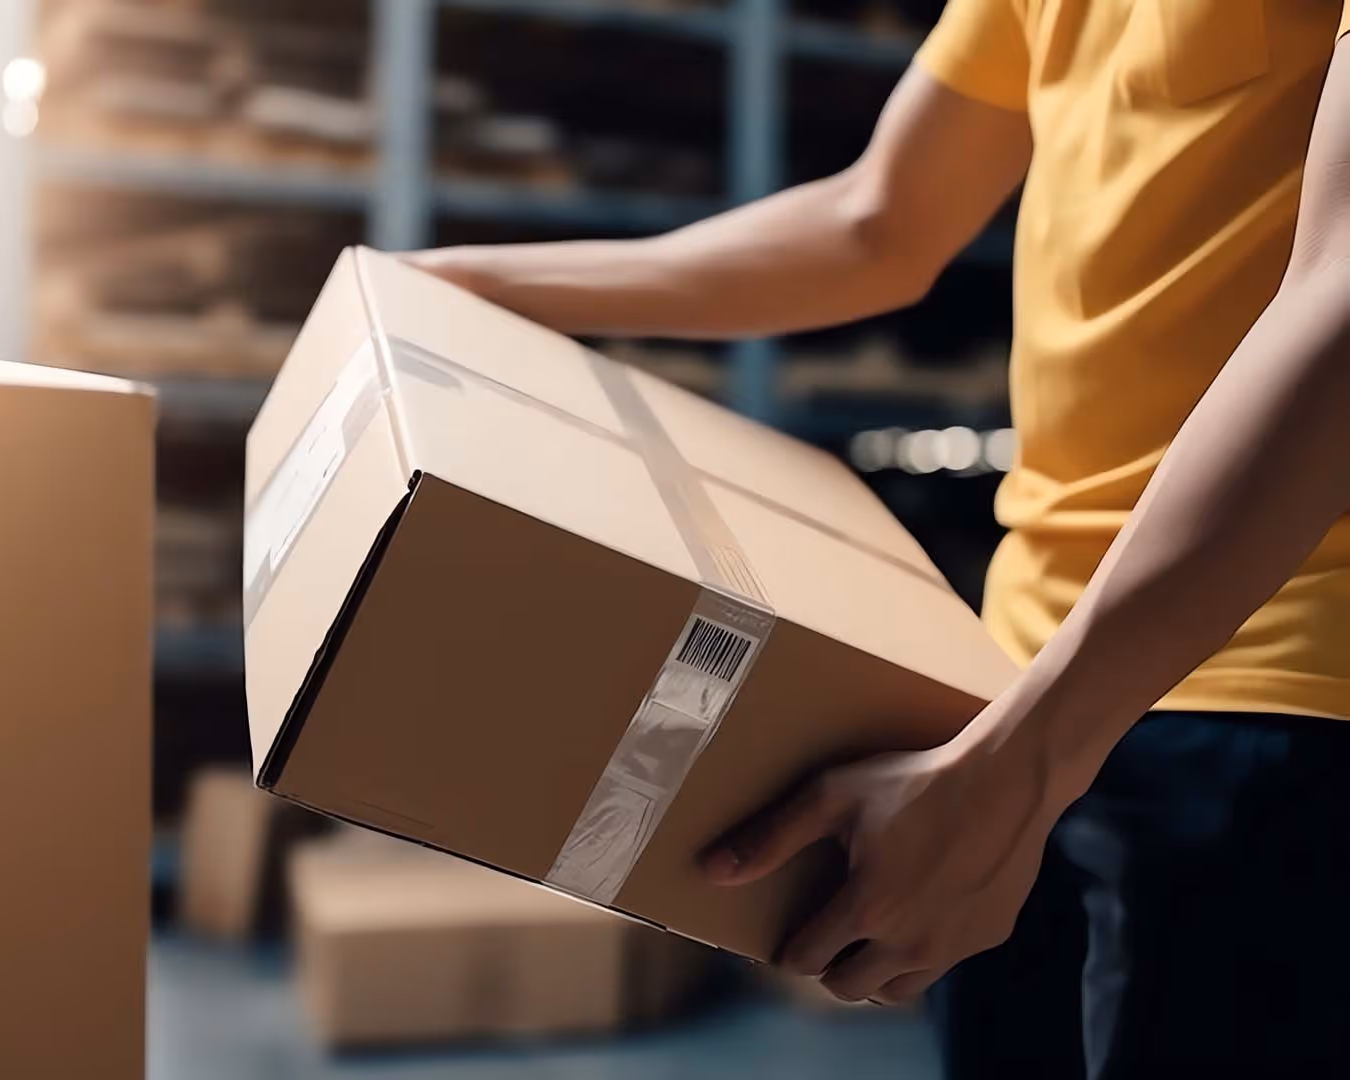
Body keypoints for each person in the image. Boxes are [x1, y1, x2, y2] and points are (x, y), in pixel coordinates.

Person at [407, 1, 1350, 1075]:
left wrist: (1029, 760)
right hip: (1016, 674)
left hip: (1268, 689)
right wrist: (480, 285)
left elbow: (1341, 298)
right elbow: (878, 221)